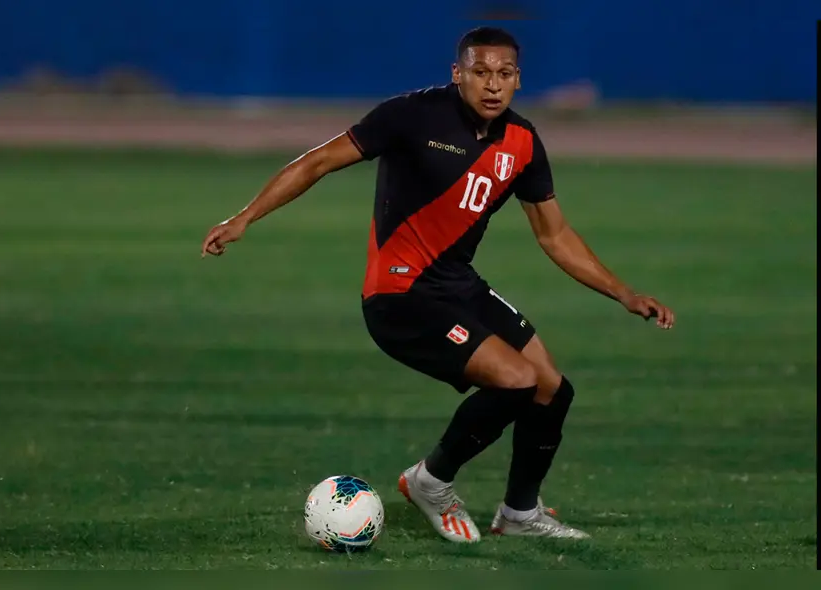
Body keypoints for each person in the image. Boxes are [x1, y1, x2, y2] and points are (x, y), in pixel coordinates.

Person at [201, 26, 675, 542]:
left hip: (458, 286)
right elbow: (317, 161)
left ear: (519, 79)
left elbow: (555, 236)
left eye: (505, 74)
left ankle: (519, 514)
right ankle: (430, 482)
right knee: (515, 381)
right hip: (398, 296)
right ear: (457, 74)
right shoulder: (411, 116)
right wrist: (245, 217)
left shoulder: (521, 142)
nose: (492, 85)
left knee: (550, 390)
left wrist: (624, 293)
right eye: (480, 72)